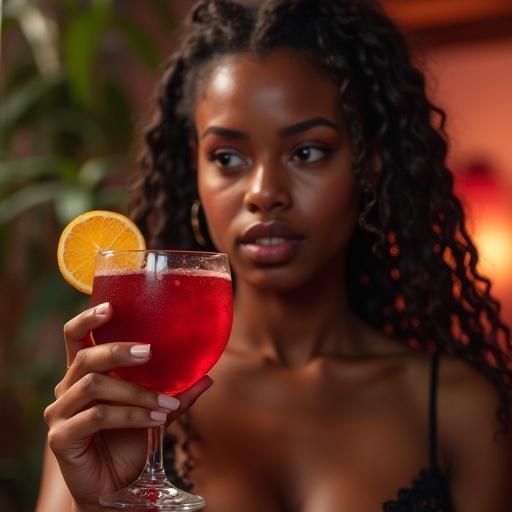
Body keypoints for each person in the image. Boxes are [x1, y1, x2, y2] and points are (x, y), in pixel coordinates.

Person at [37, 0, 512, 510]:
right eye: (228, 157)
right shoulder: (118, 402)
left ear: (371, 165)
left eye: (307, 151)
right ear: (193, 172)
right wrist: (97, 502)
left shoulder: (462, 411)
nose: (263, 192)